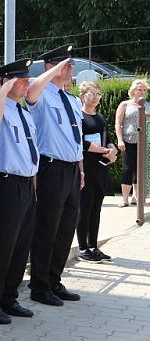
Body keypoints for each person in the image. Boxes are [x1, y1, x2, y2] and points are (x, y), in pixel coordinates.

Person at [0, 59, 40, 325]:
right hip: (6, 182)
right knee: (3, 245)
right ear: (8, 82)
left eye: (26, 80)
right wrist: (3, 89)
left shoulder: (24, 112)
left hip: (26, 184)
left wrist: (34, 184)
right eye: (22, 80)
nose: (27, 84)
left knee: (21, 245)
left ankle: (9, 297)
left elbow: (30, 152)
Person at [25, 45, 83, 307]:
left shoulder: (70, 98)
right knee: (47, 228)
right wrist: (52, 72)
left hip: (71, 169)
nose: (70, 69)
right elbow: (31, 90)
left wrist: (80, 170)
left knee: (66, 227)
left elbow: (75, 138)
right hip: (51, 168)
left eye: (70, 65)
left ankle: (55, 280)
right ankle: (40, 285)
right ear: (50, 67)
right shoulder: (43, 95)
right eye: (64, 65)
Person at [77, 81, 118, 262]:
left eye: (98, 95)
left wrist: (112, 149)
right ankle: (83, 248)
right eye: (91, 94)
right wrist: (104, 150)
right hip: (86, 168)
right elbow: (81, 144)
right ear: (83, 95)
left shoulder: (100, 117)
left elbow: (106, 138)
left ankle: (93, 246)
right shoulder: (79, 117)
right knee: (85, 209)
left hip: (100, 168)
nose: (95, 98)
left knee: (96, 209)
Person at [115, 79, 148, 207]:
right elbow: (118, 123)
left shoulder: (148, 105)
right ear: (133, 90)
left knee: (140, 170)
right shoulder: (125, 104)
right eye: (140, 89)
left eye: (144, 90)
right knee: (127, 169)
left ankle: (136, 196)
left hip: (144, 143)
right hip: (128, 141)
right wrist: (119, 140)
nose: (142, 92)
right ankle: (125, 199)